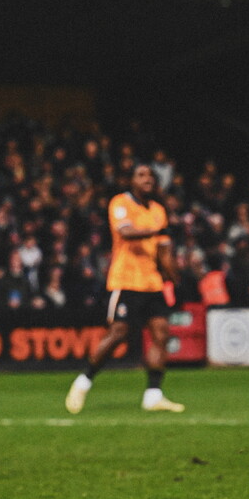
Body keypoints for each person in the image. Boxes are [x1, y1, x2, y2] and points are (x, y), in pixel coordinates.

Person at [65, 163, 185, 413]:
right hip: (125, 280)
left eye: (150, 176)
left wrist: (176, 281)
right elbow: (126, 232)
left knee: (161, 334)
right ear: (131, 181)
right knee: (118, 333)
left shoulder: (158, 211)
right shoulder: (120, 203)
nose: (147, 179)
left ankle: (153, 395)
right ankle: (83, 381)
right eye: (141, 175)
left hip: (152, 282)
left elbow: (164, 253)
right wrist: (155, 230)